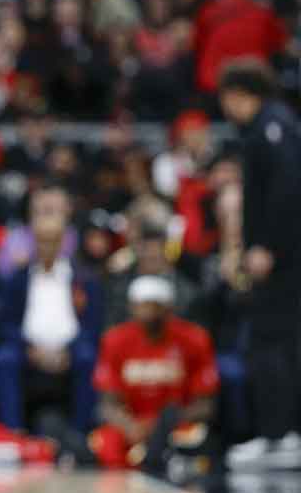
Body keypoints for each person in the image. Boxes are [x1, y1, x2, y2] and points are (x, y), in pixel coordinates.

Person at [218, 62, 301, 465]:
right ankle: (280, 435)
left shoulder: (273, 129)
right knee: (277, 343)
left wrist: (267, 246)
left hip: (283, 262)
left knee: (272, 344)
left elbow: (288, 191)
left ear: (239, 93)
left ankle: (279, 436)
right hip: (283, 258)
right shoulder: (273, 126)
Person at [88, 276, 218, 471]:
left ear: (167, 308)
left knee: (198, 445)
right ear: (131, 307)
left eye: (153, 306)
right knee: (106, 446)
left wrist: (165, 424)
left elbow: (206, 404)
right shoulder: (115, 339)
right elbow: (107, 404)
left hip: (177, 424)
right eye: (141, 306)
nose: (146, 312)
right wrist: (130, 426)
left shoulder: (194, 338)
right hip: (131, 425)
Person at [0, 210, 105, 435]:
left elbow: (93, 325)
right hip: (27, 349)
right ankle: (13, 433)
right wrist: (29, 348)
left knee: (87, 357)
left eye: (53, 241)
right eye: (42, 241)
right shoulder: (18, 278)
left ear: (63, 241)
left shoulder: (84, 279)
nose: (47, 247)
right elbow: (4, 324)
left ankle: (79, 436)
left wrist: (67, 350)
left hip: (70, 350)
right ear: (33, 241)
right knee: (3, 358)